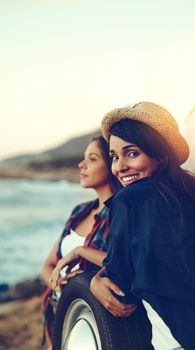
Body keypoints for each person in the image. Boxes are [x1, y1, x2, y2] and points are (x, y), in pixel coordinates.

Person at [90, 102, 195, 350]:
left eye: (132, 153)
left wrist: (93, 280)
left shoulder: (131, 200)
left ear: (160, 156)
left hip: (179, 341)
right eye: (114, 156)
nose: (120, 167)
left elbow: (119, 290)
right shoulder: (191, 195)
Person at [41, 135, 119, 350]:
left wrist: (80, 251)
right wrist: (58, 284)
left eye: (92, 159)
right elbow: (48, 265)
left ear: (112, 163)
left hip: (95, 326)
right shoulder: (80, 211)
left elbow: (125, 264)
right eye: (84, 158)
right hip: (59, 314)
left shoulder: (120, 214)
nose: (81, 165)